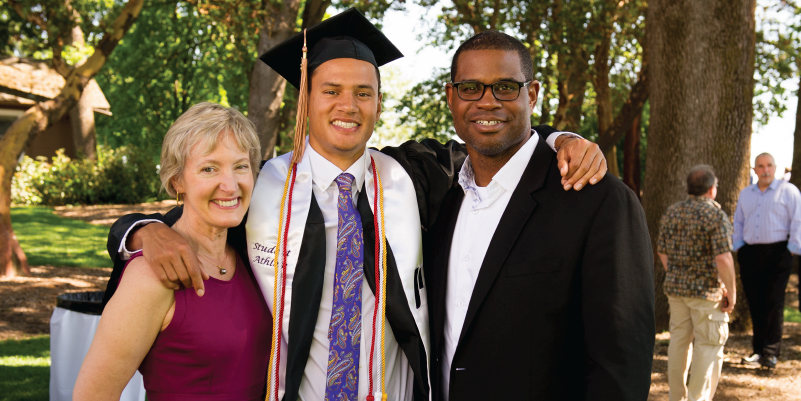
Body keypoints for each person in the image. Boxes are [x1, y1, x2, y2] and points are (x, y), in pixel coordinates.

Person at [102, 9, 608, 401]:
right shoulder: (262, 187)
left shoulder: (415, 175)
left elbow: (494, 139)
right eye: (331, 91)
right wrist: (140, 229)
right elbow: (193, 222)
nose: (348, 105)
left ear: (379, 103)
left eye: (364, 93)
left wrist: (560, 137)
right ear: (305, 100)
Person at [424, 30, 655, 400]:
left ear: (531, 95)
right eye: (471, 88)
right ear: (452, 97)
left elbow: (620, 367)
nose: (487, 102)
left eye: (505, 87)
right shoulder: (440, 196)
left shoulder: (598, 202)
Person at [74, 103, 271, 400]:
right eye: (209, 168)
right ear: (177, 180)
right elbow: (92, 395)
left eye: (241, 166)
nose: (230, 185)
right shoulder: (151, 275)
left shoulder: (253, 256)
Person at [657, 165, 735, 401]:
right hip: (706, 293)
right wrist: (731, 291)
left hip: (676, 290)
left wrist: (678, 273)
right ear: (712, 189)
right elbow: (723, 257)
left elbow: (662, 251)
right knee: (709, 347)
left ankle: (676, 397)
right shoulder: (715, 215)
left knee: (678, 343)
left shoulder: (673, 212)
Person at [734, 152, 801, 369]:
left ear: (775, 168)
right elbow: (738, 222)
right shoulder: (746, 194)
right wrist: (739, 248)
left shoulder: (788, 191)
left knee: (773, 302)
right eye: (760, 166)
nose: (765, 170)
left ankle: (771, 353)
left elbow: (798, 221)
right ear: (754, 169)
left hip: (779, 254)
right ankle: (758, 350)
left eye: (769, 165)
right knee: (755, 303)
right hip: (750, 254)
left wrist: (791, 250)